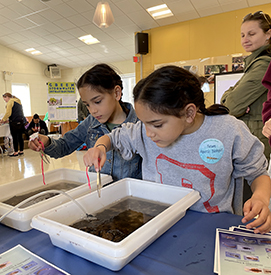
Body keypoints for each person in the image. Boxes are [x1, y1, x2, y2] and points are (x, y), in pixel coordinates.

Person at [83, 65, 271, 234]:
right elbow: (114, 137)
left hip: (213, 228)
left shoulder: (228, 130)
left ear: (189, 113)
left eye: (157, 124)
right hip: (159, 225)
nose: (148, 133)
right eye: (144, 123)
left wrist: (261, 198)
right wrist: (100, 146)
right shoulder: (143, 131)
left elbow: (257, 173)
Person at [28, 63, 142, 181]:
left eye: (97, 101)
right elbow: (64, 146)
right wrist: (46, 141)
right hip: (98, 194)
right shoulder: (90, 123)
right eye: (87, 105)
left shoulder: (140, 125)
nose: (92, 110)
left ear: (117, 93)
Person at [221, 11, 271, 161]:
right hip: (252, 137)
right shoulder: (255, 63)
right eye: (242, 35)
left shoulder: (264, 64)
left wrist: (233, 101)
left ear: (268, 34)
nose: (245, 39)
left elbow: (231, 105)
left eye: (251, 34)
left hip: (256, 139)